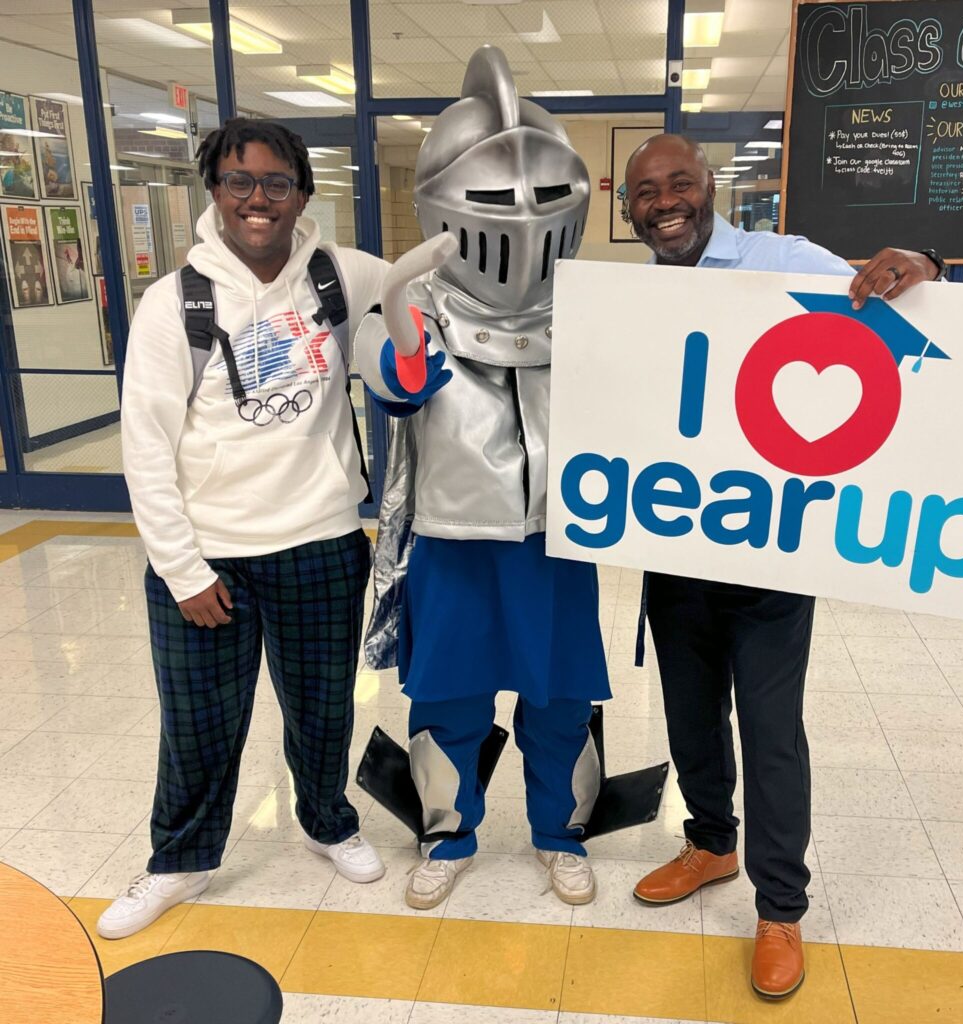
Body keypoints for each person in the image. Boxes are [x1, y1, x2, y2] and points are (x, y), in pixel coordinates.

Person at [623, 134, 944, 999]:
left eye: (679, 183)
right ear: (629, 208)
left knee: (771, 734)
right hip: (673, 551)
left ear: (708, 187)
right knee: (690, 718)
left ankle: (780, 909)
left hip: (770, 557)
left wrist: (920, 261)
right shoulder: (626, 294)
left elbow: (894, 294)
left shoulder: (782, 259)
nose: (665, 201)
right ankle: (711, 844)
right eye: (646, 191)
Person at [100, 118, 388, 940]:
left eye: (276, 184)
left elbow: (422, 289)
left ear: (302, 194)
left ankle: (328, 821)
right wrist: (182, 569)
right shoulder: (174, 303)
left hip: (323, 545)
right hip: (210, 556)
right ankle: (177, 862)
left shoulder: (340, 273)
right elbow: (145, 447)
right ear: (215, 192)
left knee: (324, 711)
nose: (257, 200)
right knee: (198, 724)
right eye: (239, 182)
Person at [354, 46, 610, 911]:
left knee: (561, 699)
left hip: (561, 538)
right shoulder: (413, 307)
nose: (525, 220)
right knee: (451, 698)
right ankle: (449, 832)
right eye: (497, 201)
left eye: (543, 199)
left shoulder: (594, 307)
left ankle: (556, 834)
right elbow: (399, 384)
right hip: (454, 544)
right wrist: (398, 297)